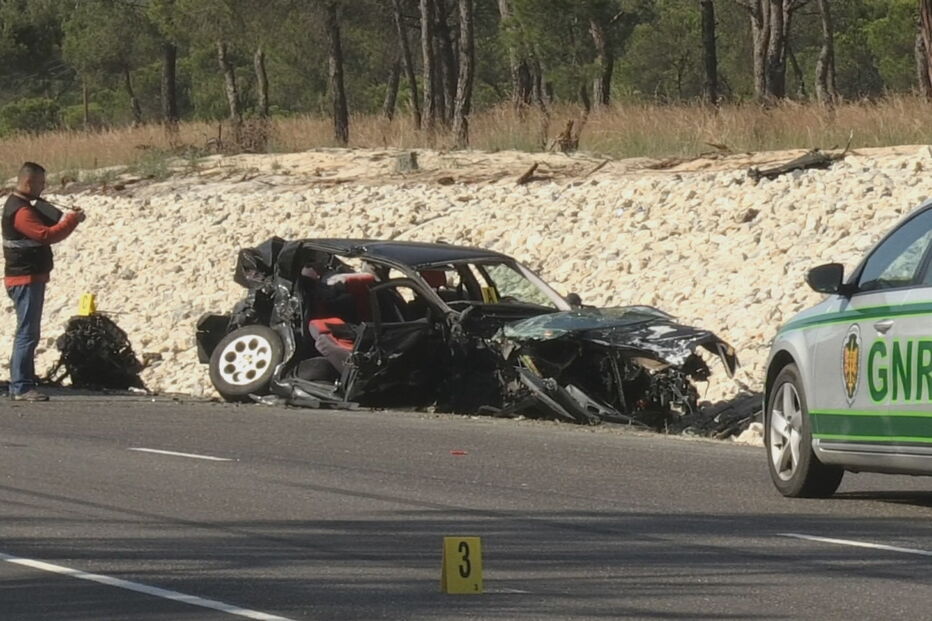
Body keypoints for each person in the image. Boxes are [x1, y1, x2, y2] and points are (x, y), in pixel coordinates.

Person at [3, 162, 85, 401]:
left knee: (29, 332)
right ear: (28, 183)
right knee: (27, 333)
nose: (43, 187)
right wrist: (72, 220)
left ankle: (25, 380)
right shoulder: (21, 211)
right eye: (40, 183)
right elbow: (47, 235)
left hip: (28, 277)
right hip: (24, 279)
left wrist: (67, 217)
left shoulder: (23, 206)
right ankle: (20, 386)